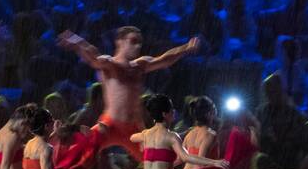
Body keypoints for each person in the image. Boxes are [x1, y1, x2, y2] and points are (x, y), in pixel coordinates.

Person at [57, 26, 202, 160]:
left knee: (156, 162)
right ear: (119, 42)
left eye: (139, 42)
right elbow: (93, 56)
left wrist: (186, 48)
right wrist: (77, 42)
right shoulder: (110, 64)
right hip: (110, 124)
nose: (137, 46)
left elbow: (164, 60)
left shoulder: (140, 65)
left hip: (133, 128)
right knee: (79, 154)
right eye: (133, 41)